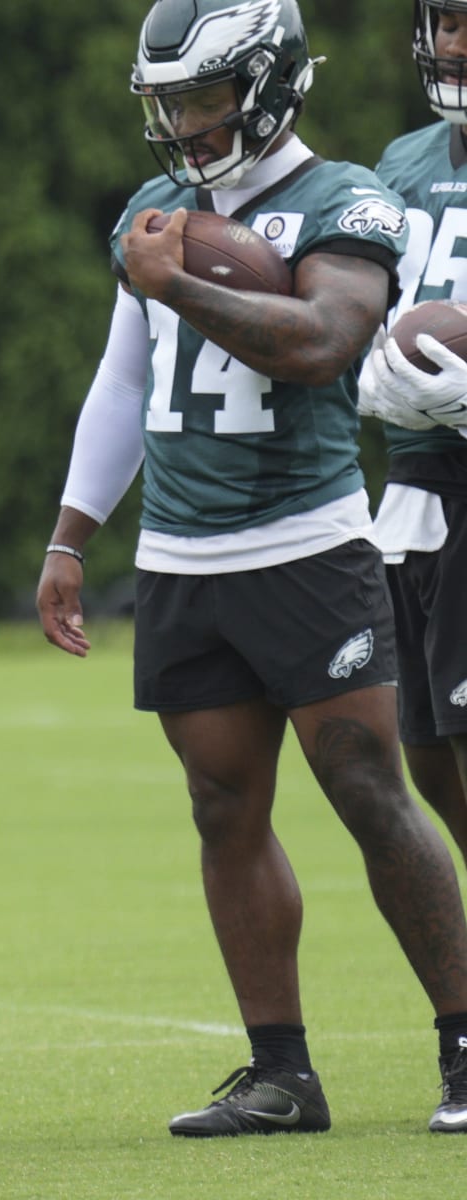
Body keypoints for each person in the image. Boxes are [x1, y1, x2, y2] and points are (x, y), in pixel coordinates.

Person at [35, 0, 467, 1137]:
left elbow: (326, 341)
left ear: (269, 84)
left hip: (307, 542)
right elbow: (125, 380)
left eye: (206, 95)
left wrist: (178, 281)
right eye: (170, 100)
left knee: (368, 788)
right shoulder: (152, 210)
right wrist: (72, 535)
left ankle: (466, 1046)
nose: (185, 122)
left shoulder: (346, 199)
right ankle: (282, 1073)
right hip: (182, 554)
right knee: (224, 807)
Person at [357, 5, 467, 872]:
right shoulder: (402, 161)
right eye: (447, 21)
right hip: (414, 484)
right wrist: (363, 363)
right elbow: (365, 309)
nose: (455, 43)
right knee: (424, 750)